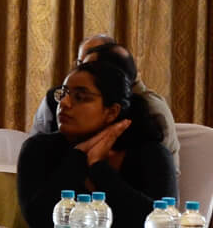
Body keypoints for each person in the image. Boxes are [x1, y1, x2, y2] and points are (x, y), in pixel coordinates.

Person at [16, 55, 177, 228]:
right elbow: (39, 222)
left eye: (80, 97)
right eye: (63, 94)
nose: (64, 103)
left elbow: (163, 226)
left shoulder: (151, 154)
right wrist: (79, 156)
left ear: (112, 112)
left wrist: (99, 168)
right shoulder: (38, 148)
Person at [30, 34, 180, 163]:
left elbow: (164, 175)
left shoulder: (150, 110)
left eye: (81, 97)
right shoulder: (56, 100)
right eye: (80, 65)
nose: (65, 102)